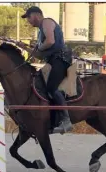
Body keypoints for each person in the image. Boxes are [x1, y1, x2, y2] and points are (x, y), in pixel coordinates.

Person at [19, 6, 73, 134]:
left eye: (29, 17)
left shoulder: (47, 22)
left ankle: (66, 120)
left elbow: (50, 41)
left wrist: (38, 47)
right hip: (52, 61)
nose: (28, 21)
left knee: (51, 88)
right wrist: (25, 48)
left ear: (36, 15)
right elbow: (39, 55)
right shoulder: (39, 32)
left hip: (60, 60)